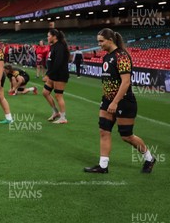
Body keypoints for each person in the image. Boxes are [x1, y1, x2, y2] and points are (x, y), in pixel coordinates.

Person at [84, 28, 156, 173]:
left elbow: (126, 82)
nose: (99, 44)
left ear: (110, 40)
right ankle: (103, 166)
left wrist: (115, 102)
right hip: (107, 100)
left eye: (101, 41)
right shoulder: (106, 56)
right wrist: (108, 99)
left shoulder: (122, 56)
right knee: (104, 130)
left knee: (126, 136)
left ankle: (149, 157)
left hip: (123, 101)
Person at [42, 29, 70, 124]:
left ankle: (63, 118)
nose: (47, 37)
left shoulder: (60, 47)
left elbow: (58, 63)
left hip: (60, 74)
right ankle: (55, 112)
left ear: (54, 36)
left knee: (58, 96)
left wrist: (48, 74)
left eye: (49, 35)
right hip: (53, 74)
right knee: (45, 92)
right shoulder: (53, 46)